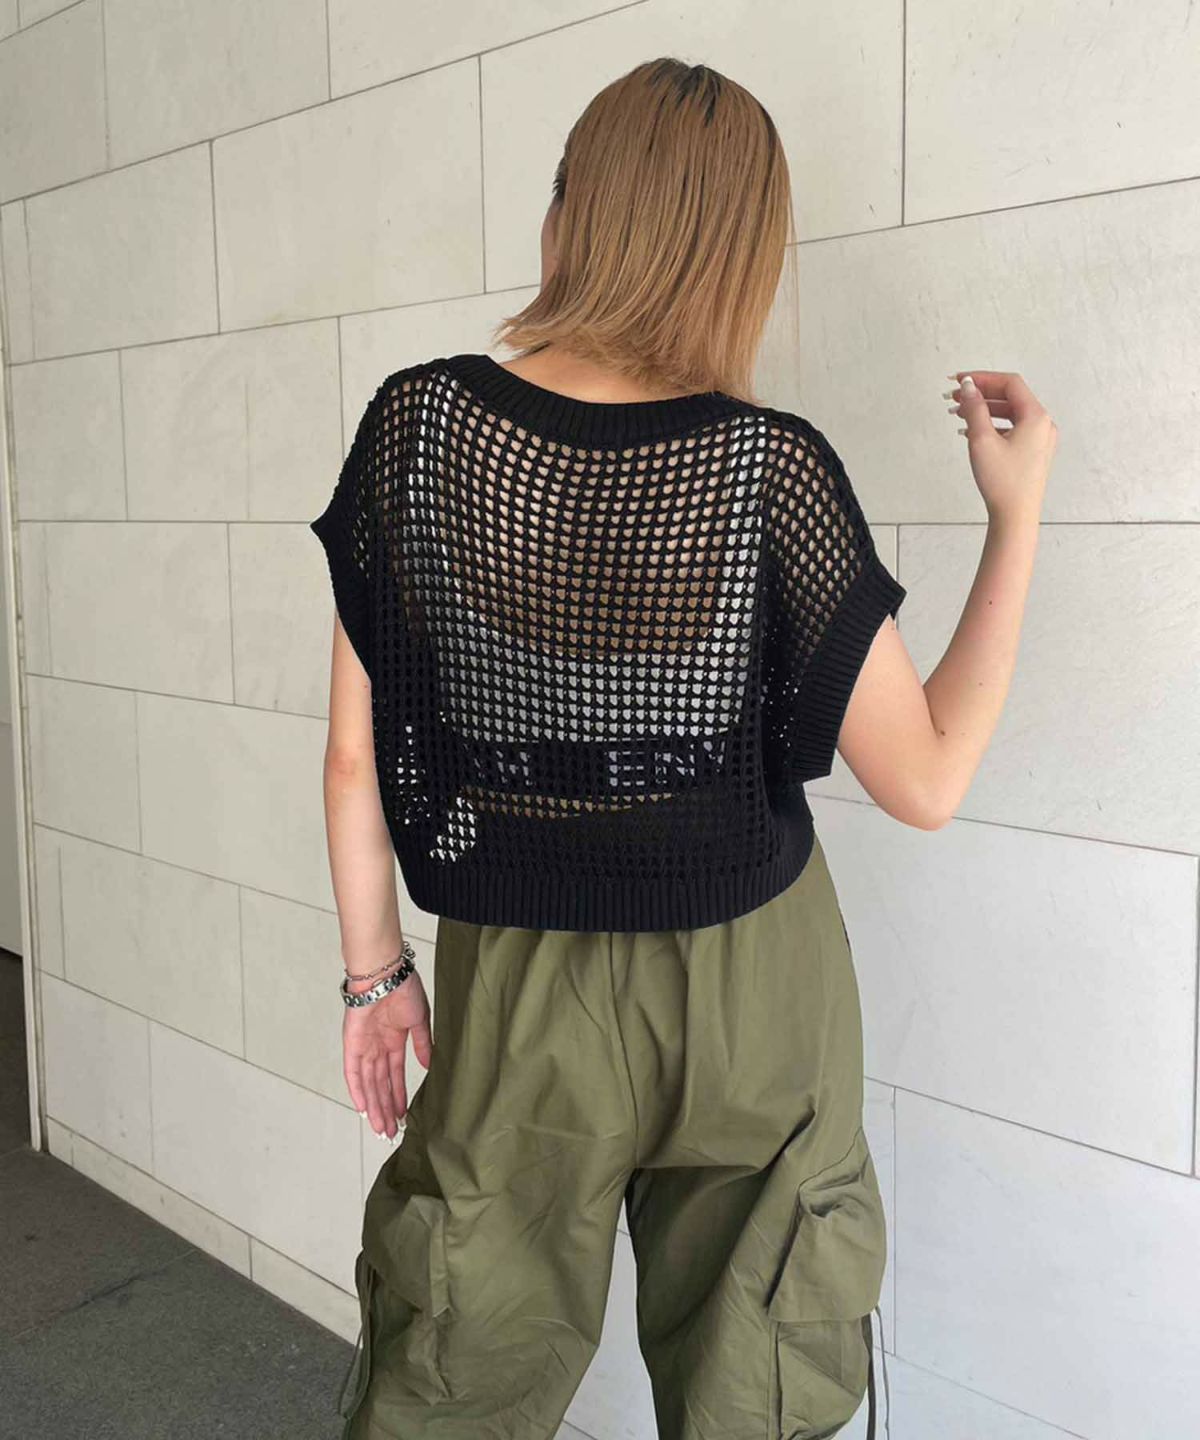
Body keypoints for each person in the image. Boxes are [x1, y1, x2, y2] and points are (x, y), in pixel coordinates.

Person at [311, 56, 1057, 1440]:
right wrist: (1015, 520)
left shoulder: (421, 430)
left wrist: (376, 977)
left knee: (458, 1345)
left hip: (519, 972)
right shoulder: (769, 467)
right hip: (755, 974)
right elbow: (930, 778)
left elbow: (354, 758)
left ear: (571, 210)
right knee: (760, 1365)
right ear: (747, 253)